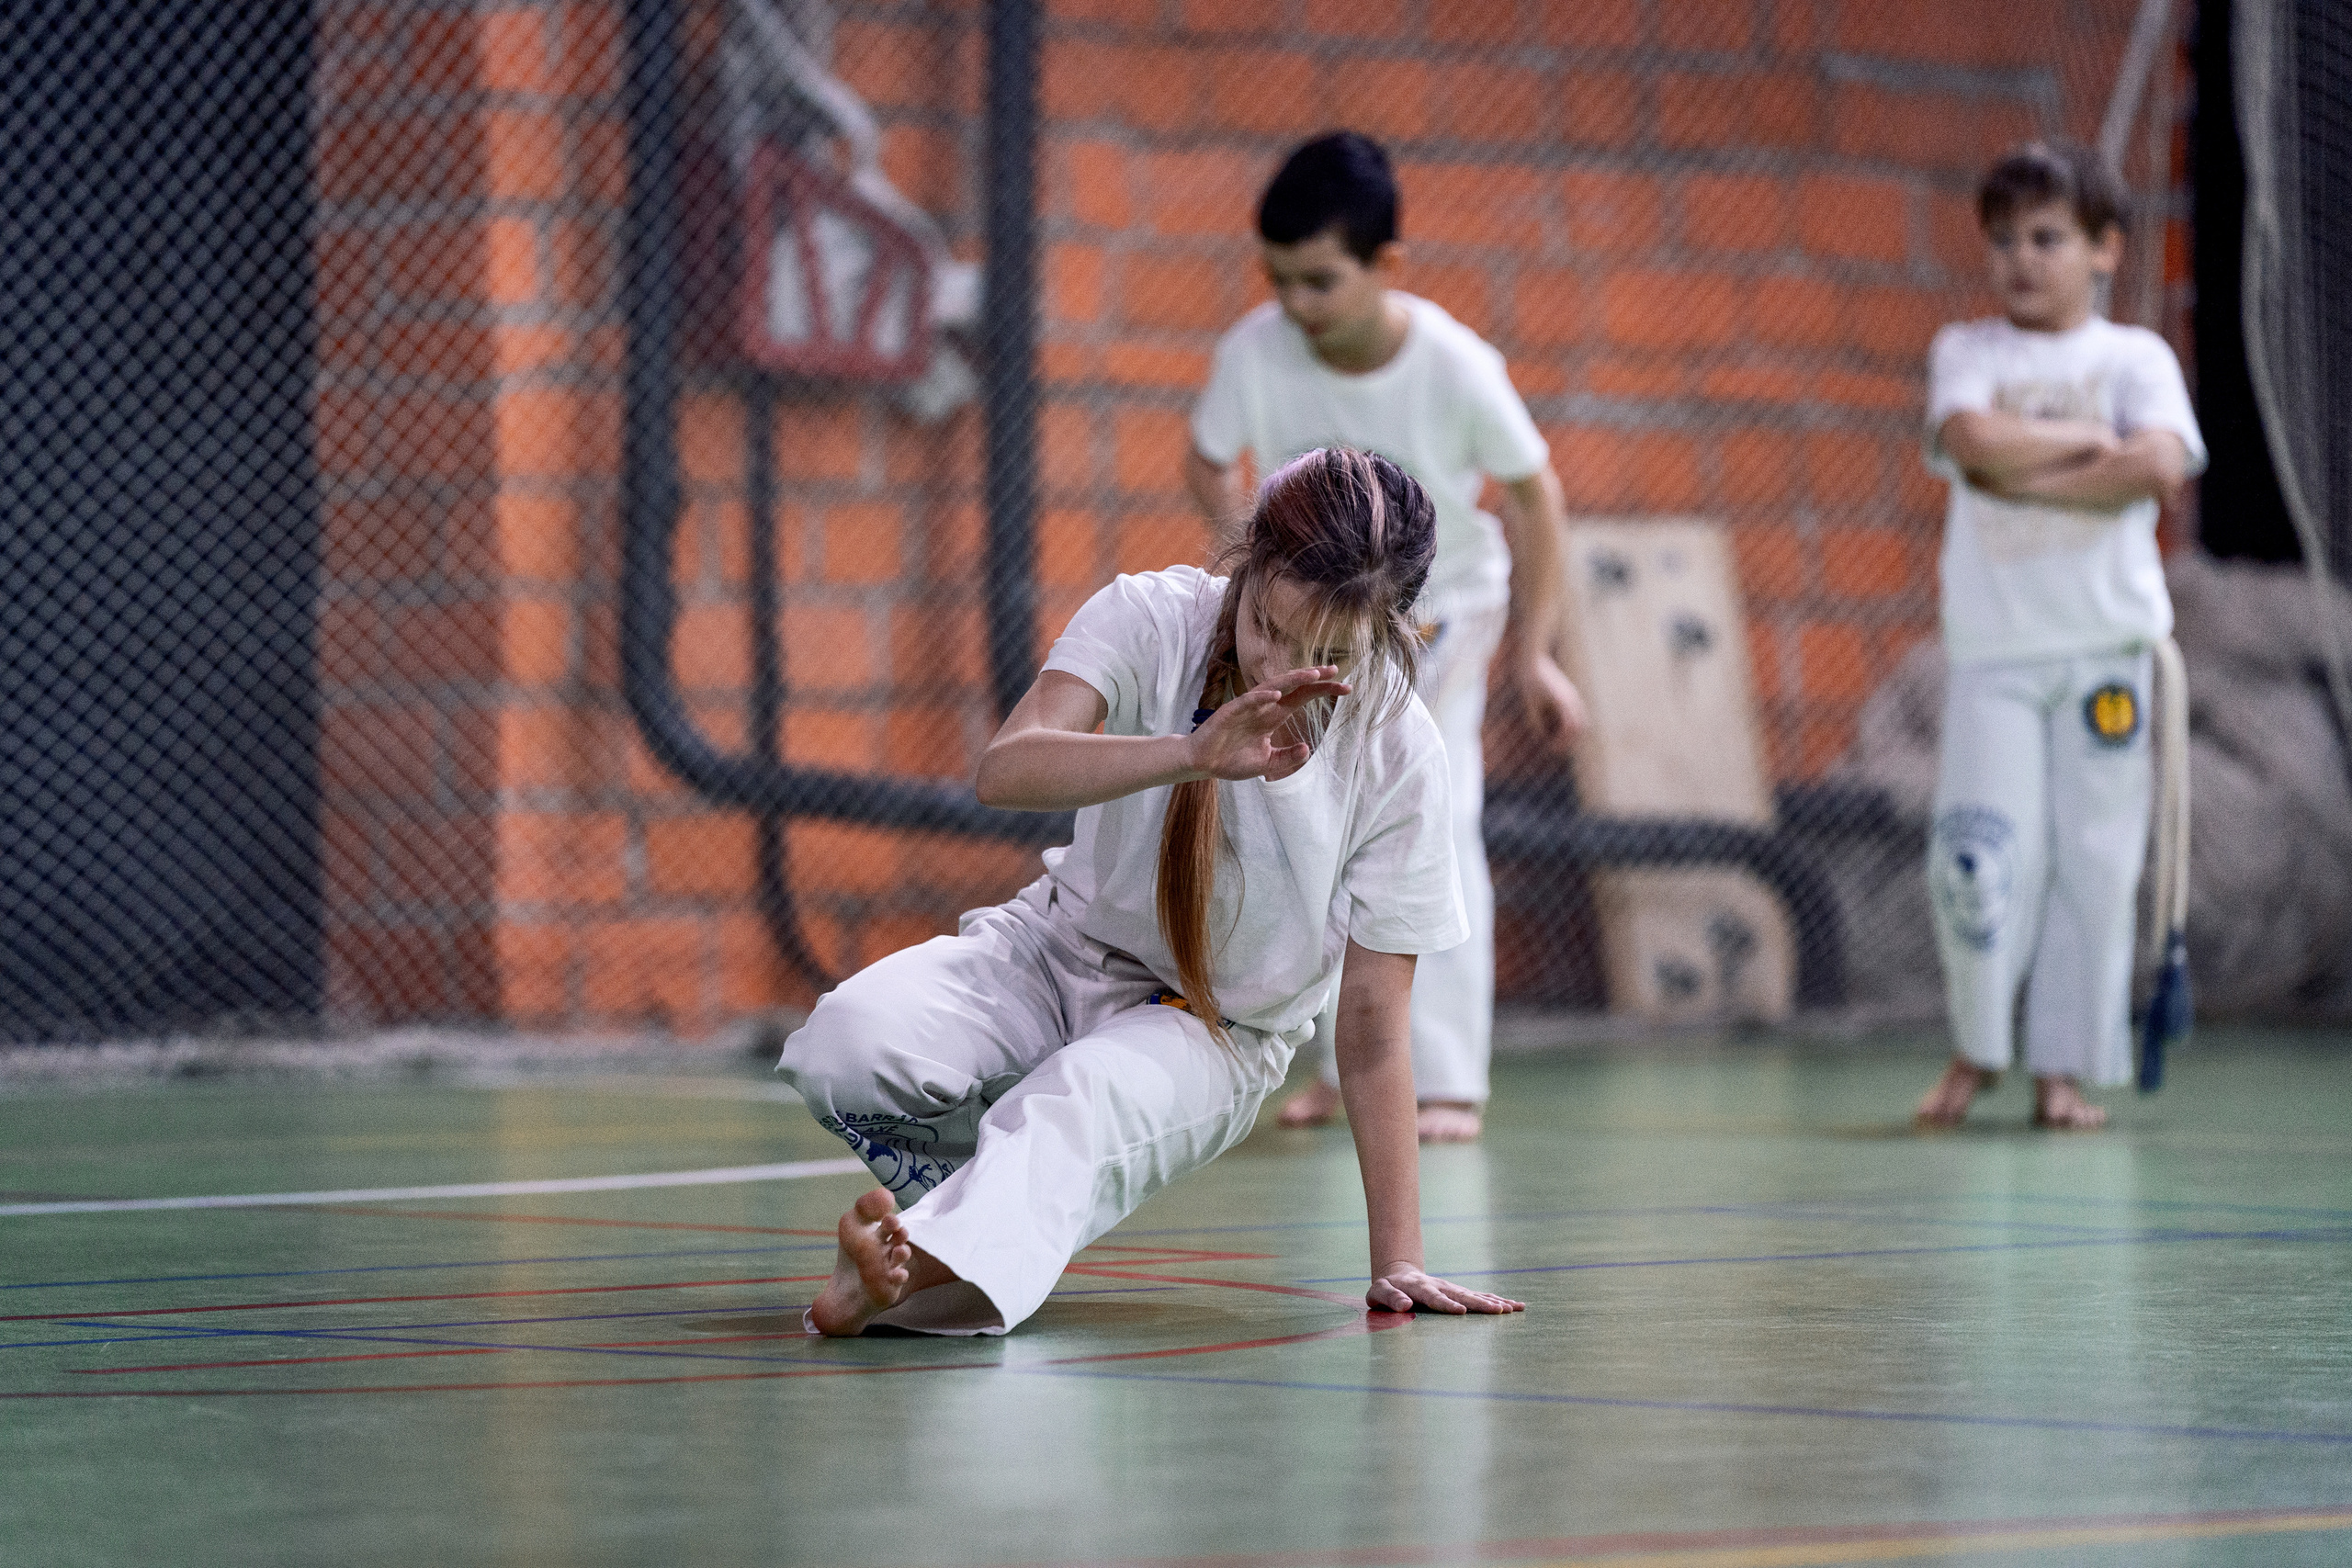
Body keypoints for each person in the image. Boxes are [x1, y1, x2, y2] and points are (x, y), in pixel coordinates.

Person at [779, 447, 1527, 1336]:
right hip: (1055, 948)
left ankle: (900, 1272)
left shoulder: (1399, 753)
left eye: (1325, 652)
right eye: (1267, 626)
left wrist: (1398, 1258)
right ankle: (973, 1223)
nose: (1280, 666)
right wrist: (1189, 754)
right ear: (1247, 562)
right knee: (848, 1044)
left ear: (1391, 630)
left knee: (1079, 1106)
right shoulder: (1147, 617)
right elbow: (1005, 769)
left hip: (1214, 1025)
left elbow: (1369, 1025)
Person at [1184, 130, 1582, 1145]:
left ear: (1385, 267)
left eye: (1320, 281)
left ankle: (1442, 1083)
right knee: (1311, 814)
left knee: (1425, 813)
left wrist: (1535, 651)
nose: (1296, 305)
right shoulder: (1254, 353)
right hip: (1325, 621)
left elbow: (1536, 498)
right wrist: (1254, 575)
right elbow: (1204, 460)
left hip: (1443, 608)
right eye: (1279, 281)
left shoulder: (1453, 366)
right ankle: (1343, 1065)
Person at [1910, 141, 2206, 1132]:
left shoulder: (2135, 359)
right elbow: (1971, 442)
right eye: (2002, 241)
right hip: (1995, 653)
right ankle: (1978, 1047)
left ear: (2104, 249)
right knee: (1983, 853)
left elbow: (2157, 466)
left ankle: (2062, 1070)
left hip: (2105, 653)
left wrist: (2024, 472)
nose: (2020, 259)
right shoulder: (1968, 351)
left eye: (2046, 238)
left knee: (2096, 858)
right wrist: (2088, 444)